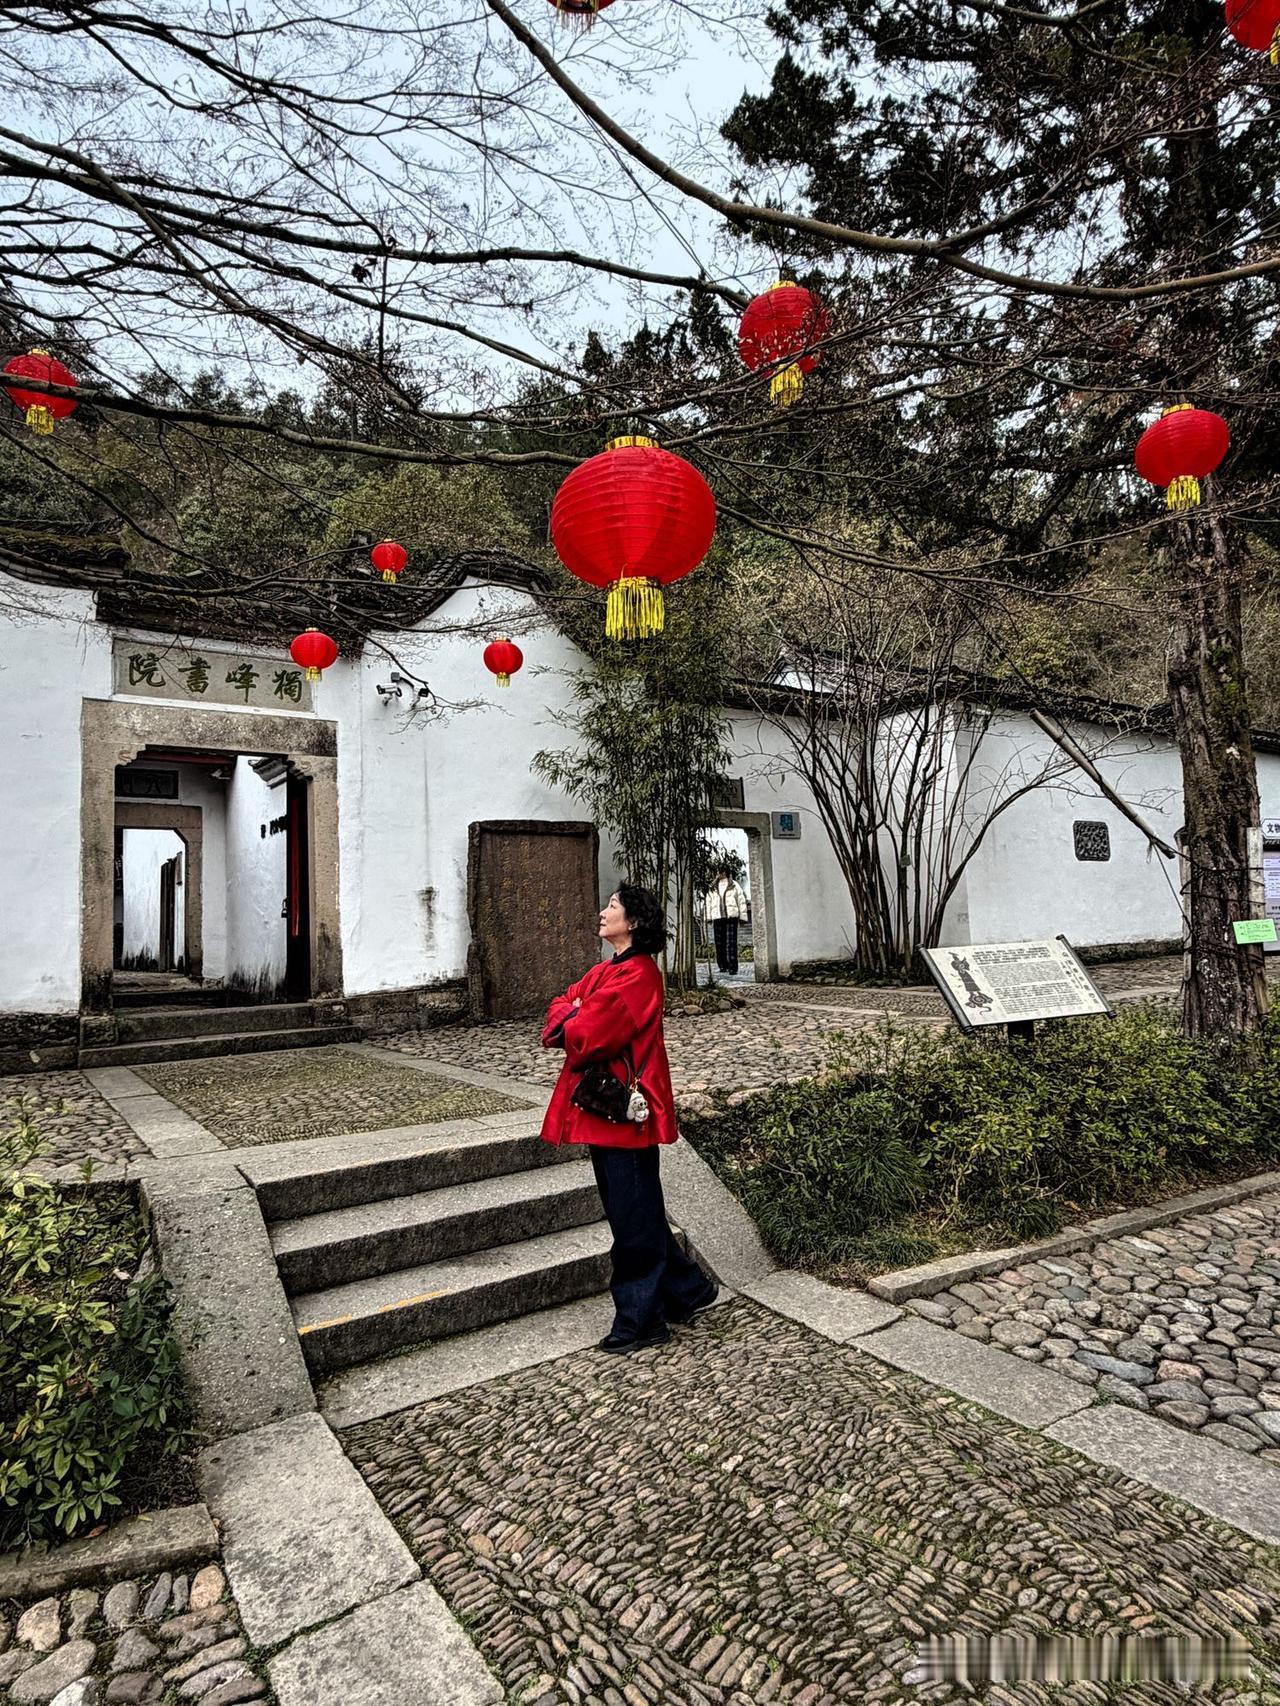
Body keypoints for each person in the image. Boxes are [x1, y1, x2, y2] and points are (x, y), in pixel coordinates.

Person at [541, 884, 719, 1354]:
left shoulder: (639, 975)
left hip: (624, 1112)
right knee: (636, 1210)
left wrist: (575, 1012)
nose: (603, 912)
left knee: (632, 1217)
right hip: (603, 1107)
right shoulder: (607, 970)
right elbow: (561, 1006)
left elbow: (589, 1032)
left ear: (634, 922)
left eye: (613, 907)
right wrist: (573, 1011)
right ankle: (687, 1289)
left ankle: (642, 1321)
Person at [702, 864, 749, 975]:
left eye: (722, 871)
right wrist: (708, 917)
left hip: (731, 917)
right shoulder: (712, 886)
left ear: (726, 872)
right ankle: (722, 965)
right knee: (719, 943)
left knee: (731, 942)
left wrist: (743, 917)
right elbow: (708, 902)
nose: (720, 873)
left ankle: (732, 967)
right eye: (718, 871)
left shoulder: (734, 885)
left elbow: (741, 900)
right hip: (717, 917)